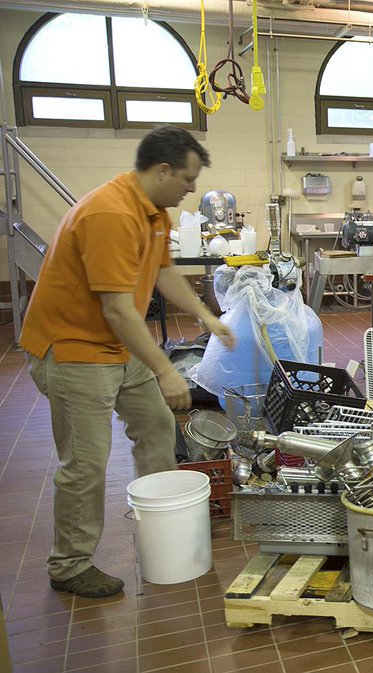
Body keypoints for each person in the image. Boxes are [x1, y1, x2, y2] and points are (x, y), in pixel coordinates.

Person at [21, 125, 235, 598]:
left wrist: (209, 316)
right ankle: (69, 565)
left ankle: (158, 517)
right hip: (75, 351)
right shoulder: (110, 213)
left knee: (157, 427)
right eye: (187, 178)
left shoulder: (152, 213)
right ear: (162, 170)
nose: (191, 190)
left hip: (115, 348)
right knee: (86, 462)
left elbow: (163, 273)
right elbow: (118, 309)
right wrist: (164, 369)